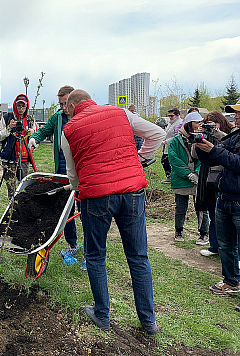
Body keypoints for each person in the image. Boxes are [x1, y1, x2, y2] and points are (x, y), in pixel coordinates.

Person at [61, 89, 165, 334]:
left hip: (96, 197)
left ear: (75, 105)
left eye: (67, 107)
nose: (65, 111)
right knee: (138, 257)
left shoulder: (70, 129)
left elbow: (72, 172)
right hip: (132, 193)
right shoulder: (121, 113)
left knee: (96, 256)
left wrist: (78, 189)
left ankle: (102, 314)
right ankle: (148, 322)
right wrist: (139, 160)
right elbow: (157, 134)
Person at [195, 101, 240, 312]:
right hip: (225, 198)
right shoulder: (234, 136)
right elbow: (213, 158)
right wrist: (202, 145)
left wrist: (214, 149)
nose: (235, 117)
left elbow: (237, 164)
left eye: (239, 113)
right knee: (225, 245)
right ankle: (230, 282)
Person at [28, 85, 81, 255]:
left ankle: (90, 249)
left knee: (86, 210)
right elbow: (43, 131)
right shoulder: (58, 118)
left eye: (66, 104)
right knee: (66, 209)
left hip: (83, 171)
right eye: (60, 104)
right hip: (63, 171)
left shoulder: (83, 117)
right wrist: (34, 139)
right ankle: (71, 244)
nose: (63, 108)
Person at [196, 111, 237, 256]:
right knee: (215, 217)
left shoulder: (231, 134)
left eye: (213, 124)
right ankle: (215, 247)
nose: (236, 116)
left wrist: (216, 138)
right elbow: (204, 158)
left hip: (232, 189)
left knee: (233, 231)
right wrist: (199, 141)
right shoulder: (233, 137)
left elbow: (234, 161)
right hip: (215, 184)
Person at [168, 112, 209, 243]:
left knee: (202, 207)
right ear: (189, 124)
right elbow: (174, 160)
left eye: (200, 122)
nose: (199, 125)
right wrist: (188, 174)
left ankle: (204, 233)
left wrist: (197, 173)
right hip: (181, 179)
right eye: (197, 122)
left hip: (199, 179)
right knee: (180, 207)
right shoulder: (175, 141)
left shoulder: (203, 139)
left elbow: (204, 159)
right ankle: (178, 231)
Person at [0, 94, 36, 197]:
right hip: (9, 158)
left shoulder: (30, 120)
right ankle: (12, 210)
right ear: (15, 105)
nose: (21, 108)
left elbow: (36, 142)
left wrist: (33, 134)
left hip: (24, 158)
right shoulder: (7, 117)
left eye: (23, 106)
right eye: (19, 106)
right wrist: (9, 128)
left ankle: (23, 210)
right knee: (12, 189)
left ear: (27, 107)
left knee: (24, 188)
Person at [160, 107, 182, 184]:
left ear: (177, 115)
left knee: (167, 161)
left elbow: (177, 135)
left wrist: (166, 141)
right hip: (167, 145)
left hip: (173, 146)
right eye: (169, 116)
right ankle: (169, 177)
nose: (170, 117)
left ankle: (173, 177)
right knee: (164, 161)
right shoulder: (171, 123)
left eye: (172, 116)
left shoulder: (179, 123)